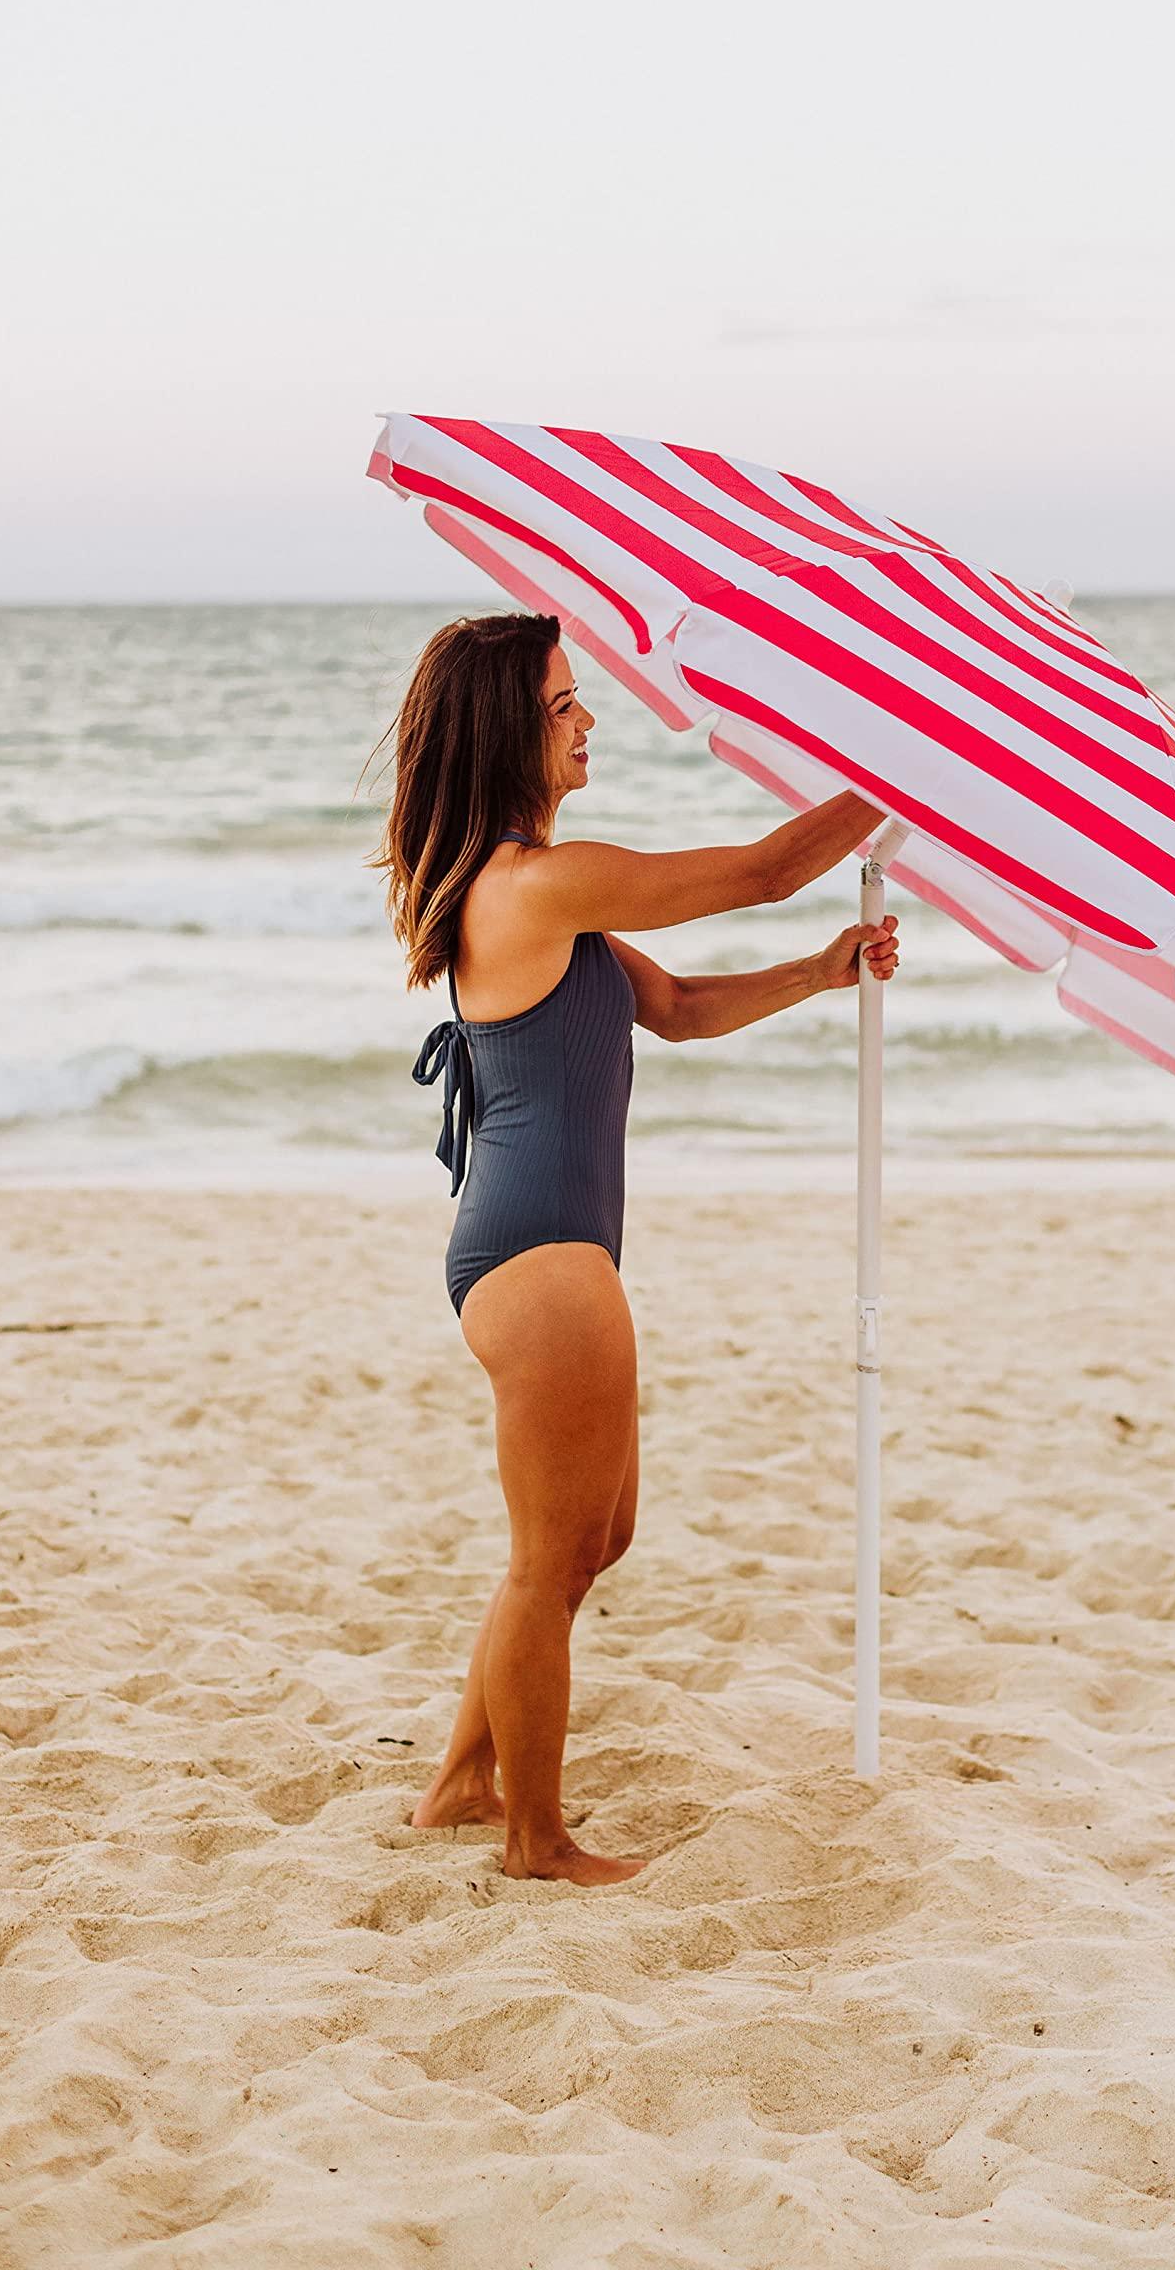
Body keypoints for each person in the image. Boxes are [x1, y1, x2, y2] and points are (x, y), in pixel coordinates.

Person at [369, 609, 899, 1885]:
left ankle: (461, 1777)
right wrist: (893, 774)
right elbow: (769, 866)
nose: (585, 720)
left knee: (593, 1541)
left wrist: (819, 976)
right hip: (541, 1259)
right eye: (561, 706)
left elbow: (672, 1009)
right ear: (509, 733)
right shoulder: (539, 883)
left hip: (540, 1252)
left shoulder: (544, 897)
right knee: (549, 1562)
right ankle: (534, 1840)